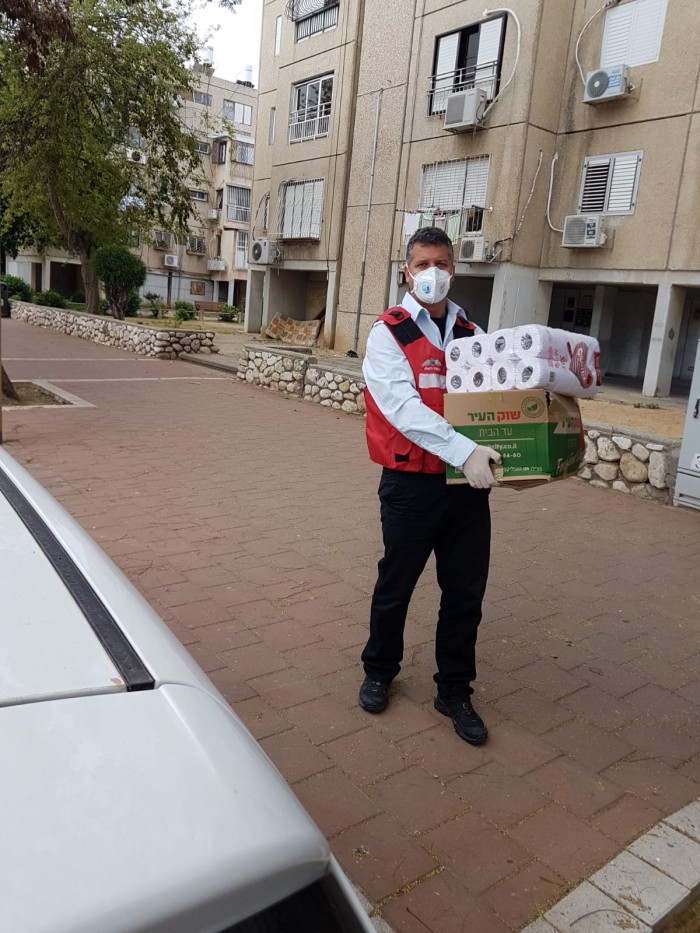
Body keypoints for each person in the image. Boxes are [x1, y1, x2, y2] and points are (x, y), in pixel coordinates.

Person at [359, 226, 501, 746]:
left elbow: (495, 399)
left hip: (467, 488)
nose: (432, 274)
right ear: (407, 272)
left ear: (454, 271)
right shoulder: (387, 333)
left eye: (441, 264)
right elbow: (402, 409)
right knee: (396, 585)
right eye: (422, 265)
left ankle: (454, 690)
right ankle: (379, 670)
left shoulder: (472, 332)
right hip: (411, 486)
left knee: (465, 594)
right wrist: (464, 450)